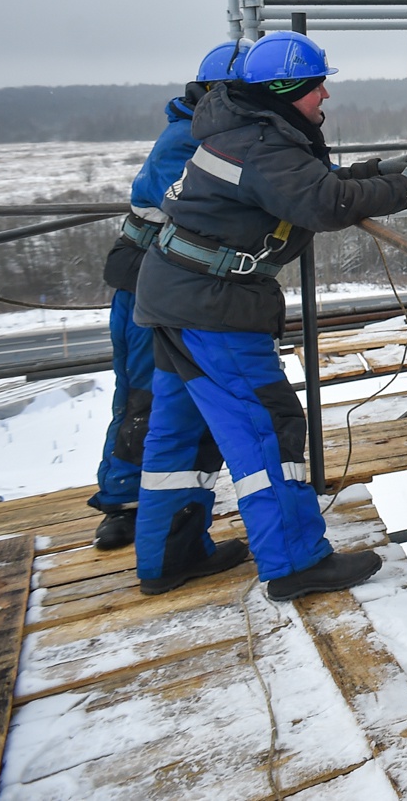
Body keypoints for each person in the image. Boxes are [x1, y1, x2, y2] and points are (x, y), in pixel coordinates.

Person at [131, 30, 407, 597]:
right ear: (286, 89)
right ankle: (295, 561)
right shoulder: (259, 142)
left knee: (182, 433)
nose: (325, 97)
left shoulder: (246, 128)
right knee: (266, 427)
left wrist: (381, 168)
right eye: (317, 87)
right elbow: (323, 203)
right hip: (214, 304)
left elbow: (302, 186)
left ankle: (169, 556)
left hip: (177, 293)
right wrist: (406, 186)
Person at [87, 41, 247, 550]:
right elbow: (236, 195)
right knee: (146, 396)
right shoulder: (187, 141)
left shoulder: (204, 133)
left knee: (165, 401)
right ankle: (125, 504)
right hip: (147, 288)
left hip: (162, 286)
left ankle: (152, 508)